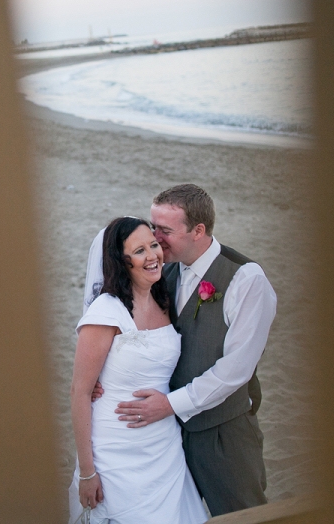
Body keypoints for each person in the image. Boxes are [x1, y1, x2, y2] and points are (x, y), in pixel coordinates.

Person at [84, 184, 276, 517]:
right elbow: (113, 321)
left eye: (164, 230)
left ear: (198, 231)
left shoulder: (246, 280)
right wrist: (100, 377)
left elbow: (236, 370)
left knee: (242, 515)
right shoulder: (159, 273)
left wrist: (169, 405)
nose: (154, 238)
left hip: (222, 435)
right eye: (152, 225)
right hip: (165, 440)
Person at [69, 216, 207, 524]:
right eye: (140, 250)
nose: (153, 256)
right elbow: (79, 392)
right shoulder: (106, 312)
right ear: (122, 261)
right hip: (115, 449)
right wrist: (87, 472)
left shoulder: (165, 298)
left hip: (164, 447)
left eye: (154, 245)